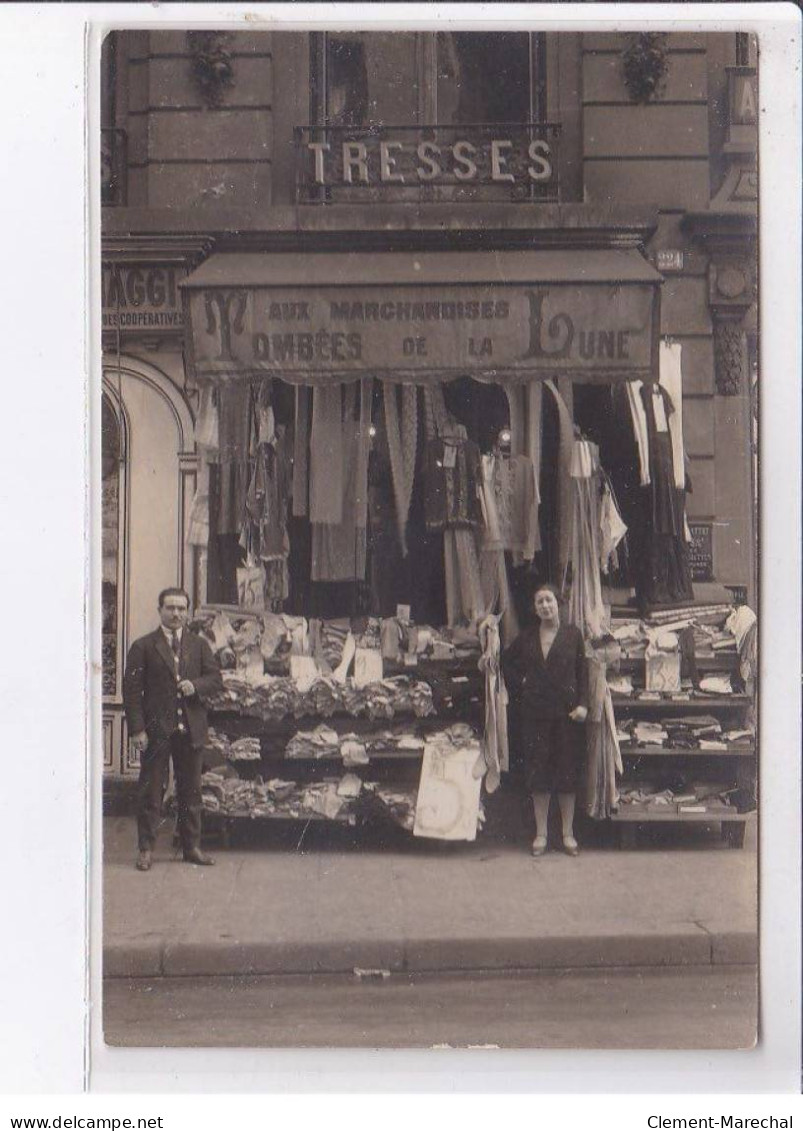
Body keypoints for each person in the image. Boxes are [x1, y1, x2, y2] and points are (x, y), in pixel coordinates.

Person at [123, 587, 223, 871]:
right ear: (160, 610)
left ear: (187, 612)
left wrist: (197, 686)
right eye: (170, 608)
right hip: (156, 730)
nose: (176, 613)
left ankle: (191, 847)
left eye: (181, 608)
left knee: (191, 790)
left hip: (191, 728)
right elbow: (131, 692)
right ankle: (146, 849)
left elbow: (216, 679)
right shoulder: (143, 646)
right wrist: (137, 730)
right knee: (151, 790)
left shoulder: (199, 645)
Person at [502, 582, 588, 857]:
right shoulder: (527, 637)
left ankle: (567, 834)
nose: (545, 606)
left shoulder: (573, 635)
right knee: (538, 774)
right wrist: (522, 683)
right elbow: (506, 663)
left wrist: (583, 704)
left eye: (548, 600)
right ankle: (541, 834)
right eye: (539, 602)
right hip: (536, 715)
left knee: (566, 774)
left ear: (558, 603)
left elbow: (582, 672)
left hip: (566, 715)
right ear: (535, 608)